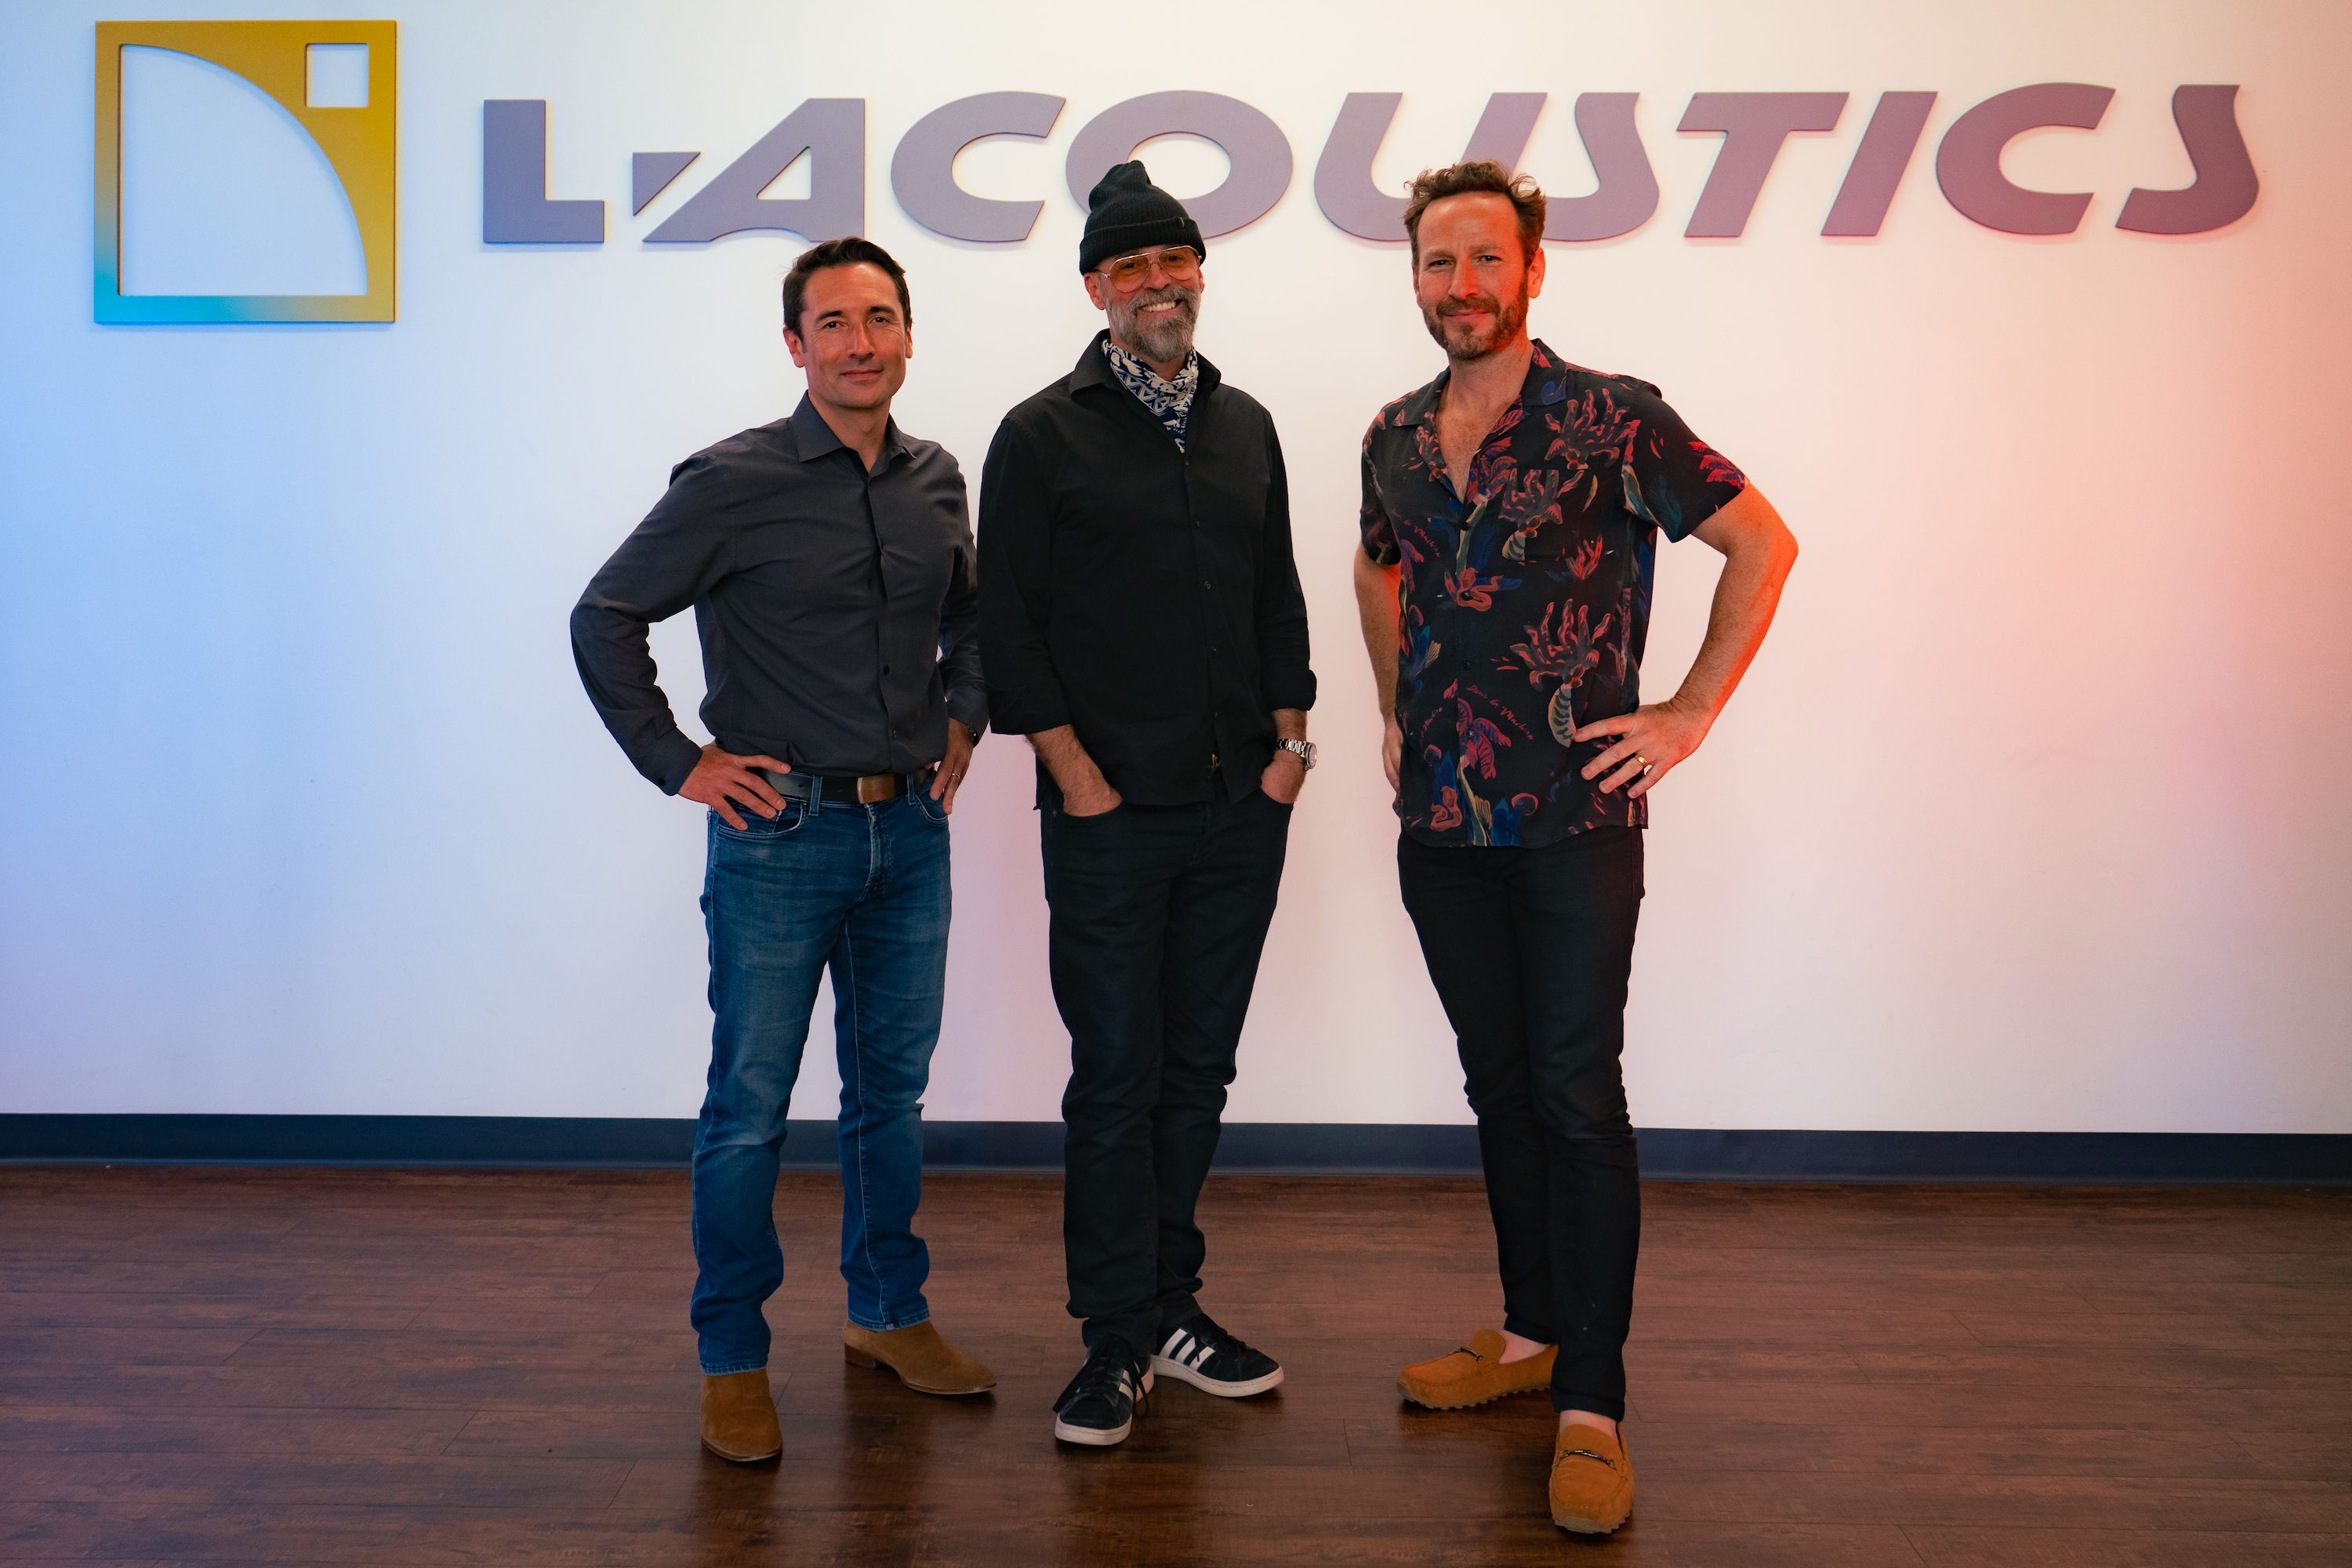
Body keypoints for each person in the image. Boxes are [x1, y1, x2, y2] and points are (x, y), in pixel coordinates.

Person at [1352, 162, 1798, 1533]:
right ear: (1415, 277)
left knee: (1573, 1093)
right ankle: (1532, 1335)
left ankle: (1593, 1403)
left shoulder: (1613, 418)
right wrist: (1391, 708)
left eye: (1486, 260)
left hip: (1575, 820)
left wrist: (1688, 715)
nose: (1462, 285)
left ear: (1532, 270)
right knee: (1498, 1087)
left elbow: (1763, 542)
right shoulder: (1394, 432)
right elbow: (1379, 564)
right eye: (1440, 263)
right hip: (1442, 822)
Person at [569, 237, 996, 1465]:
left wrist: (963, 714)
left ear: (908, 333)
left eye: (881, 318)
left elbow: (974, 617)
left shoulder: (937, 481)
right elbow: (605, 615)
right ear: (796, 345)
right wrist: (679, 760)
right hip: (780, 834)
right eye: (833, 322)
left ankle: (885, 1315)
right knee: (749, 1110)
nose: (861, 342)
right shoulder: (730, 481)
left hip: (908, 833)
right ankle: (732, 1357)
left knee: (889, 1100)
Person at [978, 162, 1317, 1446]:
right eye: (1133, 269)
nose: (1160, 284)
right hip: (1111, 820)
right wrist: (1076, 776)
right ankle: (1113, 1340)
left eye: (1177, 262)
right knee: (1117, 1076)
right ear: (1095, 290)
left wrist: (1292, 748)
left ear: (1197, 274)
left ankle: (1172, 1308)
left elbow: (1276, 596)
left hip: (1243, 811)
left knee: (1199, 1070)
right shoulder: (1040, 433)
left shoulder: (1246, 425)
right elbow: (1010, 625)